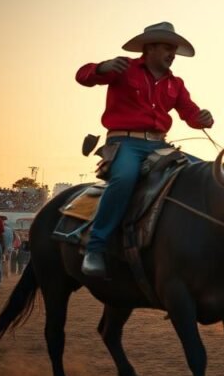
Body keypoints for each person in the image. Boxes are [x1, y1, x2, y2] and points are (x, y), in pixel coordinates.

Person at [76, 22, 215, 278]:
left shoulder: (176, 84)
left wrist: (203, 118)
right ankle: (94, 247)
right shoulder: (123, 68)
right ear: (149, 48)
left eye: (173, 49)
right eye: (167, 48)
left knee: (206, 174)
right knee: (124, 178)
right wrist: (102, 67)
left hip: (159, 145)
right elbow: (83, 76)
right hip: (125, 143)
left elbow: (190, 113)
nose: (172, 54)